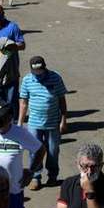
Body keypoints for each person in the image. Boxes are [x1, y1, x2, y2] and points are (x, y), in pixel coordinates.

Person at [0, 104, 46, 201]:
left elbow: (40, 150)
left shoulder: (21, 133)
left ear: (10, 118)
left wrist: (31, 171)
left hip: (13, 190)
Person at [18, 56, 68, 190]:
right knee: (34, 151)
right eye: (36, 71)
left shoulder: (55, 77)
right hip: (34, 123)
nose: (39, 73)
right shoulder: (27, 80)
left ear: (44, 67)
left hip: (53, 123)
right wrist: (20, 123)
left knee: (53, 151)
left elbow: (62, 99)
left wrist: (63, 120)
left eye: (40, 70)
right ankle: (35, 177)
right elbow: (23, 103)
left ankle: (52, 175)